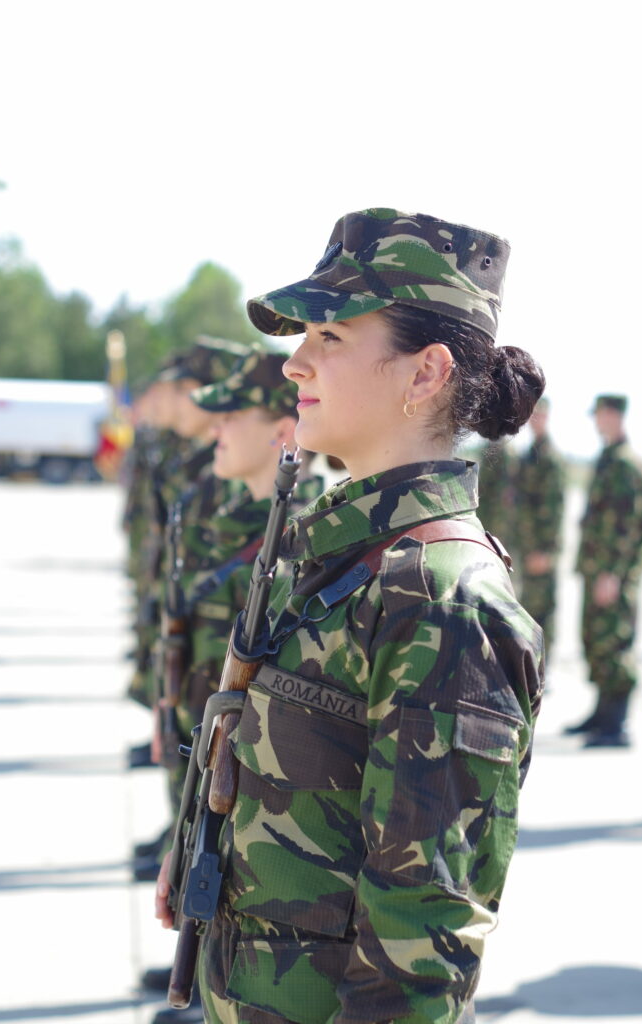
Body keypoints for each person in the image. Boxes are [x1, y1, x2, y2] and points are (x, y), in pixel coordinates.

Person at [155, 208, 546, 1024]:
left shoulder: (444, 600)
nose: (295, 364)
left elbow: (420, 943)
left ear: (425, 373)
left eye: (329, 338)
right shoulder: (341, 552)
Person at [146, 349, 324, 1021]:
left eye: (232, 414)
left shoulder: (299, 536)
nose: (212, 427)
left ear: (281, 432)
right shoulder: (223, 508)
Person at [565, 395, 642, 747]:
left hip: (611, 575)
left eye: (599, 415)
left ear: (613, 415)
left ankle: (617, 725)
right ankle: (602, 715)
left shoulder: (626, 464)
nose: (597, 422)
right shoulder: (609, 459)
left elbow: (629, 526)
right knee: (597, 641)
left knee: (614, 642)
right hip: (597, 570)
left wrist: (612, 573)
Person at [512, 396, 566, 656]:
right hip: (527, 545)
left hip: (541, 550)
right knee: (528, 606)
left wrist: (546, 551)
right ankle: (533, 661)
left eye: (540, 416)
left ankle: (547, 663)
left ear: (548, 417)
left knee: (543, 609)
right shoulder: (528, 455)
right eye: (532, 416)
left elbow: (556, 511)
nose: (536, 421)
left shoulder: (550, 459)